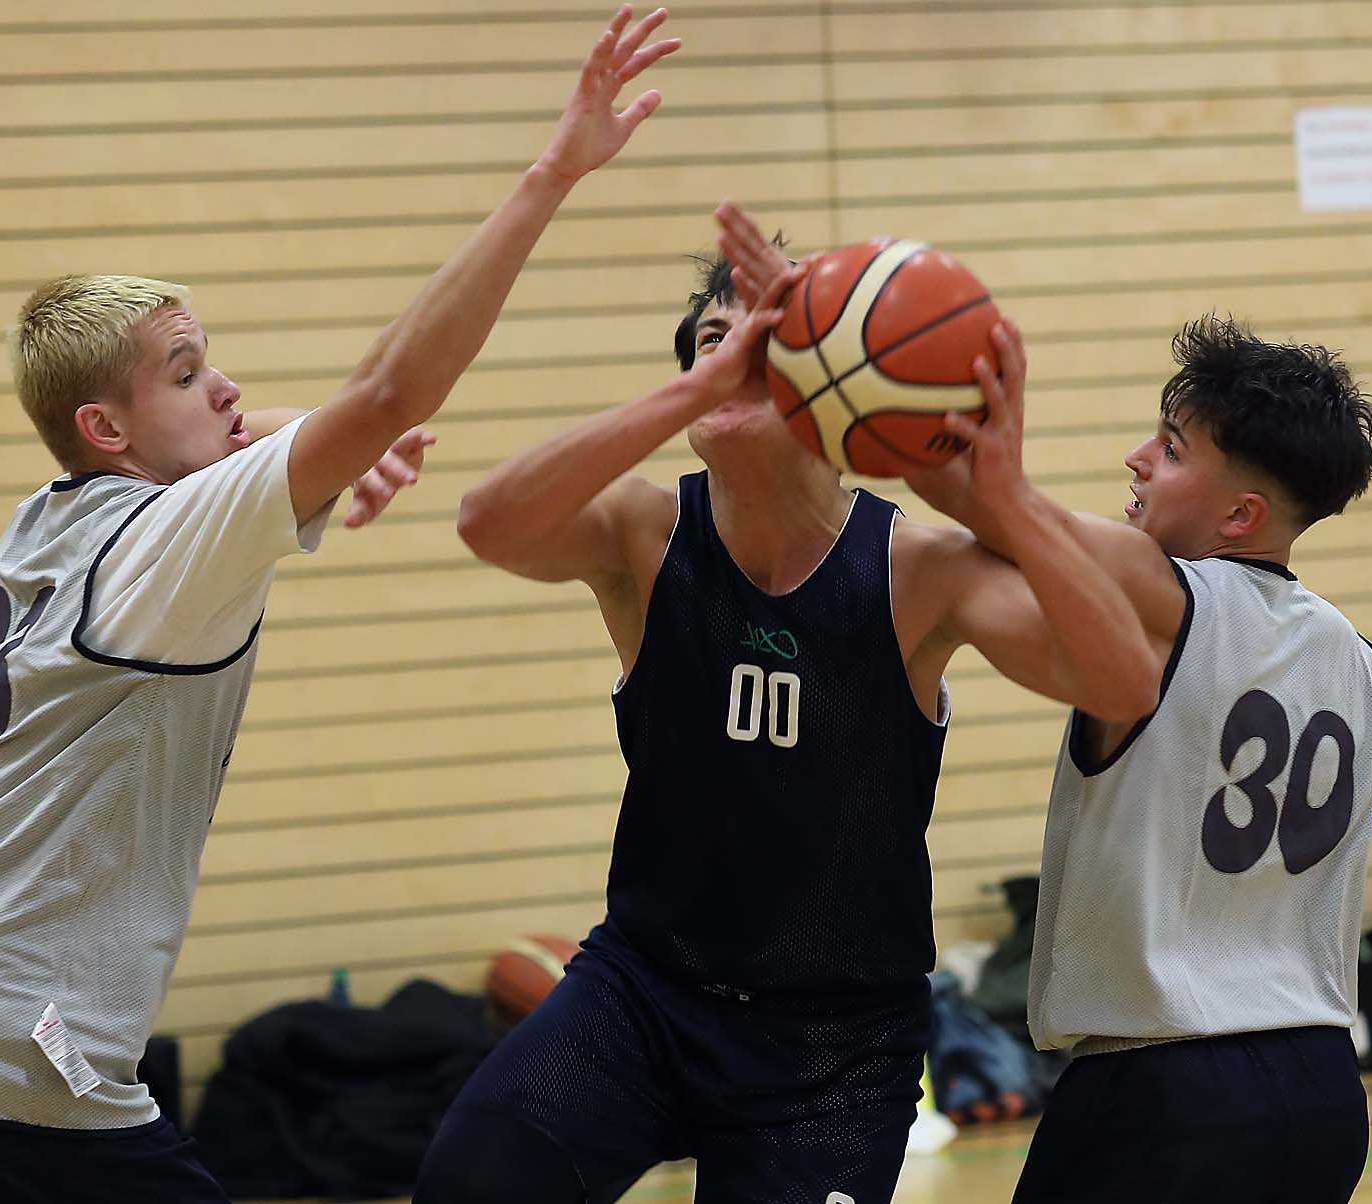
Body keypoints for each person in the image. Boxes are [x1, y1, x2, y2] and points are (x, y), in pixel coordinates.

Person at [0, 9, 678, 1202]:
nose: (227, 385)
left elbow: (254, 436)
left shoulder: (45, 518)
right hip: (14, 1049)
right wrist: (553, 172)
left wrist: (307, 444)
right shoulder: (161, 541)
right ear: (106, 427)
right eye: (188, 374)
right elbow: (388, 391)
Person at [723, 211, 1372, 1200]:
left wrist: (813, 330)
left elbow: (968, 493)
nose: (1137, 457)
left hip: (1160, 1090)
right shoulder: (1368, 669)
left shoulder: (1157, 587)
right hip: (1317, 1093)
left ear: (1240, 515)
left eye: (1169, 449)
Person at [413, 207, 1164, 1203]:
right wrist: (703, 384)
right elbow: (487, 522)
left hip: (832, 1046)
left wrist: (1007, 502)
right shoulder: (643, 531)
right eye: (710, 339)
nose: (729, 354)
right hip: (644, 993)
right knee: (469, 1183)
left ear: (826, 385)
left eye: (763, 340)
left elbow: (1123, 686)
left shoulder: (916, 568)